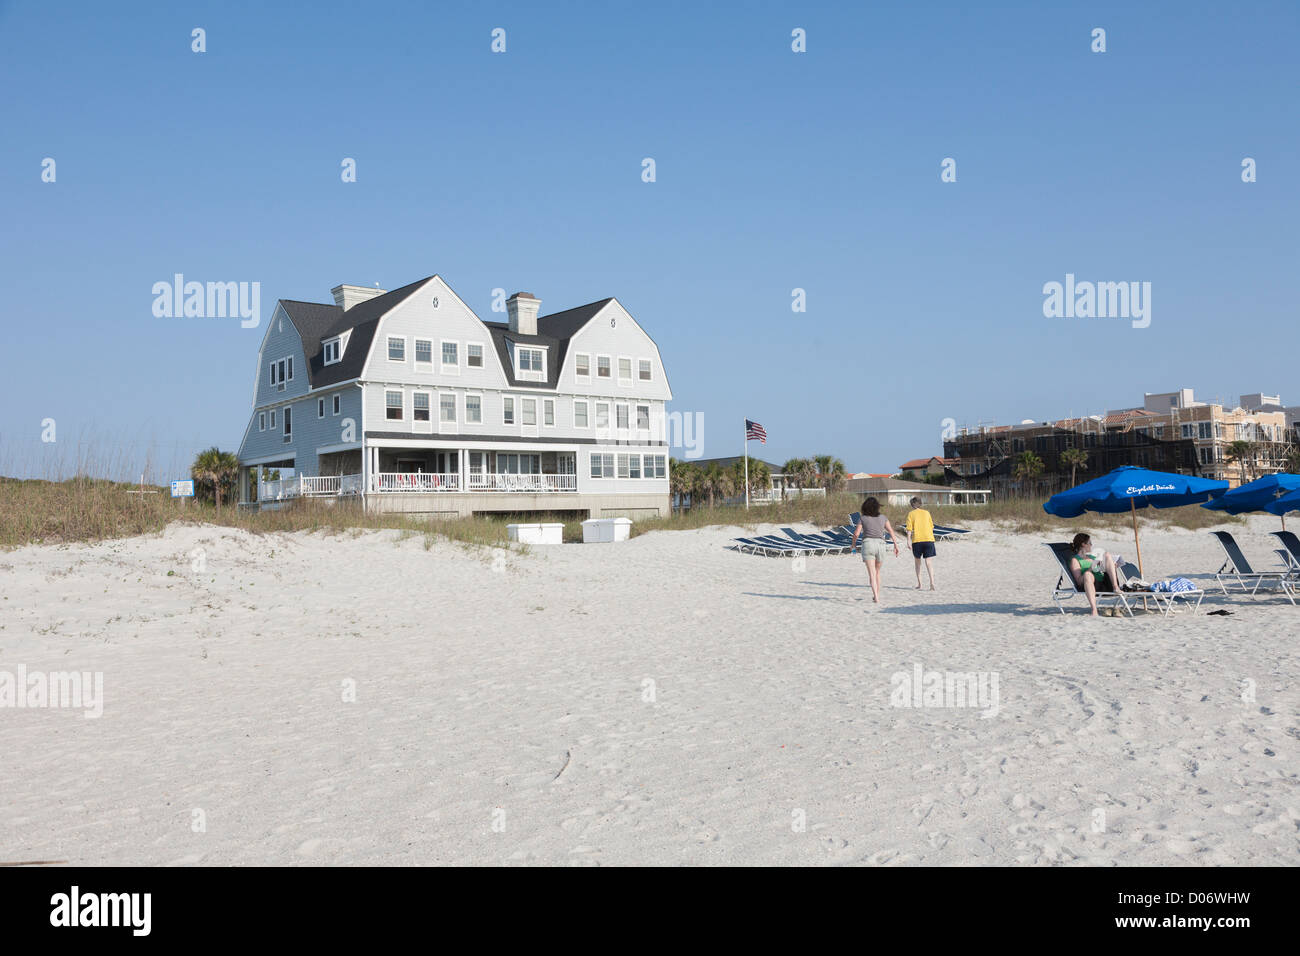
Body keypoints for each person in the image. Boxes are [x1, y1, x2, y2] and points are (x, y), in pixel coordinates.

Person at [850, 496, 901, 605]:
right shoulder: (883, 517)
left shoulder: (863, 518)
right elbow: (891, 532)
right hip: (881, 545)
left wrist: (853, 546)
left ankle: (876, 597)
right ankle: (876, 595)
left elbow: (856, 533)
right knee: (877, 572)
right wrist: (896, 546)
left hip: (868, 544)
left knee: (872, 574)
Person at [1068, 532, 1120, 617]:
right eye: (1090, 543)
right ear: (1083, 544)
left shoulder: (1092, 557)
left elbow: (1101, 568)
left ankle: (1115, 587)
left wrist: (1111, 566)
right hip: (1092, 585)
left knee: (1106, 554)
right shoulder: (1075, 560)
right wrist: (1090, 568)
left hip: (1106, 583)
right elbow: (1079, 581)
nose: (1091, 545)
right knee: (1088, 574)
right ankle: (1094, 609)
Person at [904, 496, 937, 590]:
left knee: (917, 563)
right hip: (929, 539)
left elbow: (909, 529)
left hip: (917, 541)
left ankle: (920, 584)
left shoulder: (911, 514)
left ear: (913, 504)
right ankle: (932, 583)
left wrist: (908, 541)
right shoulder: (927, 513)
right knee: (929, 562)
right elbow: (931, 526)